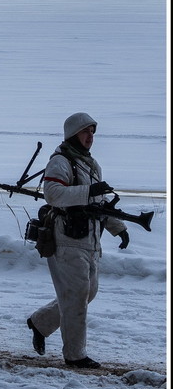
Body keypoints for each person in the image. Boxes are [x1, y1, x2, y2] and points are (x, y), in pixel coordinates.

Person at [26, 112, 129, 369]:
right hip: (67, 238)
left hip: (90, 239)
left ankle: (41, 322)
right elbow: (53, 193)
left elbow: (98, 202)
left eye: (92, 132)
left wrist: (118, 227)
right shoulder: (61, 161)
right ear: (73, 134)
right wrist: (89, 191)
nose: (90, 137)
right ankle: (75, 355)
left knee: (87, 292)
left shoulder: (90, 164)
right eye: (85, 132)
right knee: (76, 296)